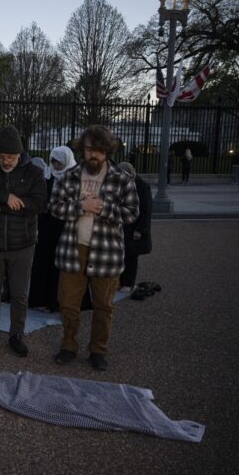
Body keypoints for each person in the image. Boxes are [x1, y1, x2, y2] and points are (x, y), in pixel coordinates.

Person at [50, 125, 139, 371]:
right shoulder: (70, 176)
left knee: (103, 306)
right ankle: (68, 346)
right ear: (82, 149)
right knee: (68, 303)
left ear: (107, 151)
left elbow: (132, 213)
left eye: (99, 150)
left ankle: (98, 350)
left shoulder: (121, 179)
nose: (93, 155)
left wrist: (103, 208)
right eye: (89, 149)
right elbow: (55, 206)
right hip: (72, 249)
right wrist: (81, 206)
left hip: (107, 253)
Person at [0, 126, 47, 357]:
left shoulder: (33, 173)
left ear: (20, 154)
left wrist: (3, 207)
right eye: (2, 156)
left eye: (10, 157)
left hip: (22, 243)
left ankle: (16, 334)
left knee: (19, 293)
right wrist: (5, 196)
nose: (6, 161)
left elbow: (39, 204)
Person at [28, 146, 77, 312]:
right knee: (43, 262)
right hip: (46, 225)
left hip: (63, 227)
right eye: (54, 161)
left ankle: (56, 302)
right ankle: (40, 300)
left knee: (60, 265)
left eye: (59, 162)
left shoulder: (73, 179)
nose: (56, 165)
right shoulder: (47, 177)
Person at [118, 162, 152, 291]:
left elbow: (146, 210)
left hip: (134, 227)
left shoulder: (143, 186)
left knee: (131, 256)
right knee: (122, 254)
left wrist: (140, 229)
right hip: (124, 225)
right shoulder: (124, 184)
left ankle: (128, 283)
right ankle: (122, 281)